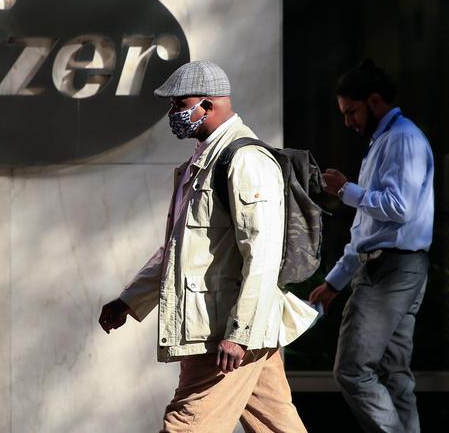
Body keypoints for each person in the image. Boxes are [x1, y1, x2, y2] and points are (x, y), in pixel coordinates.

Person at [99, 60, 317, 433]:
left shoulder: (245, 160)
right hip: (230, 330)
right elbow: (177, 251)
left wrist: (240, 332)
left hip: (223, 333)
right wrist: (130, 300)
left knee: (186, 425)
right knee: (277, 426)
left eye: (179, 104)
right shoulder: (202, 162)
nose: (172, 113)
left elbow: (262, 254)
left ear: (209, 104)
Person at [309, 59, 434, 433]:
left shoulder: (401, 139)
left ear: (375, 100)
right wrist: (335, 282)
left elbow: (399, 208)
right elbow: (369, 229)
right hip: (395, 266)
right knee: (393, 372)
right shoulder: (388, 139)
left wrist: (344, 190)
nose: (348, 121)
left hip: (391, 270)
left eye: (351, 111)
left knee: (352, 370)